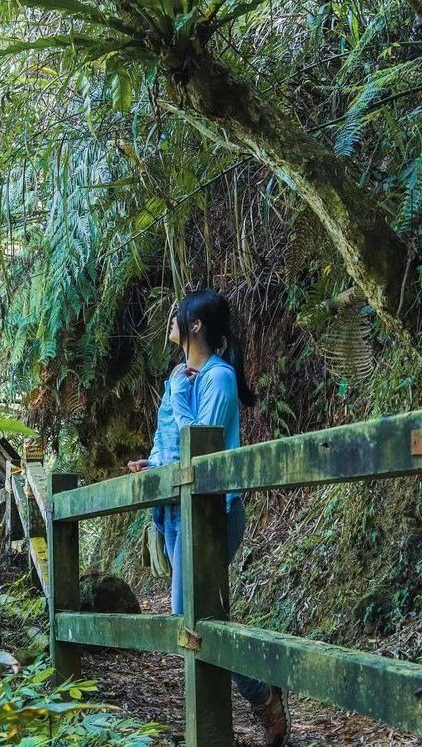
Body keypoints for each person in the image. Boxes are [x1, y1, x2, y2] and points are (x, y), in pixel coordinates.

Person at [127, 288, 289, 747]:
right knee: (200, 615)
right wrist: (151, 464)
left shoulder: (215, 378)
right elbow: (170, 446)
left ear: (195, 326)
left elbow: (200, 445)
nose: (171, 320)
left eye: (178, 315)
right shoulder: (181, 374)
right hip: (180, 511)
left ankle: (262, 696)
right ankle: (247, 707)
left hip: (213, 512)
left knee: (189, 612)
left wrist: (181, 390)